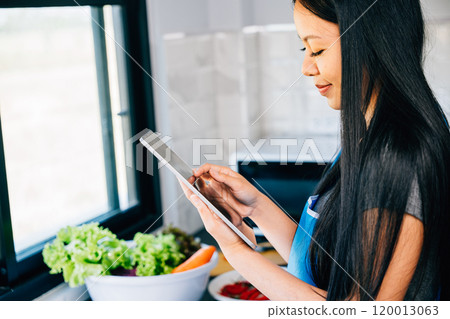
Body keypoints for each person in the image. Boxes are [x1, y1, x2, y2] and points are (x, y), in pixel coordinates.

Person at [179, 0, 450, 301]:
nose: (306, 68)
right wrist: (255, 207)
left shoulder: (397, 153)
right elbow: (324, 263)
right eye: (303, 50)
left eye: (317, 50)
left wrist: (235, 250)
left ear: (370, 40)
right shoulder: (368, 135)